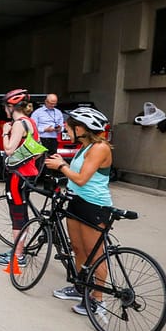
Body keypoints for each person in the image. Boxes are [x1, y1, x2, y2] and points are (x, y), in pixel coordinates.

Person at [44, 107, 114, 315]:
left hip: (94, 205)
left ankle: (98, 299)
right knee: (78, 248)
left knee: (96, 254)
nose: (65, 129)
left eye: (69, 126)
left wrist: (61, 166)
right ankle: (80, 287)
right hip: (76, 202)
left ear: (81, 128)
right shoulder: (85, 146)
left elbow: (82, 179)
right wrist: (63, 165)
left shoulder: (100, 148)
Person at [0, 88, 40, 267]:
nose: (5, 110)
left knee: (17, 215)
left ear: (11, 107)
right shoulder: (30, 122)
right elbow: (37, 151)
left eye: (6, 107)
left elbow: (8, 149)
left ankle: (19, 255)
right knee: (22, 212)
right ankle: (18, 248)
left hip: (17, 176)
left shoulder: (18, 124)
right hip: (28, 174)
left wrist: (5, 132)